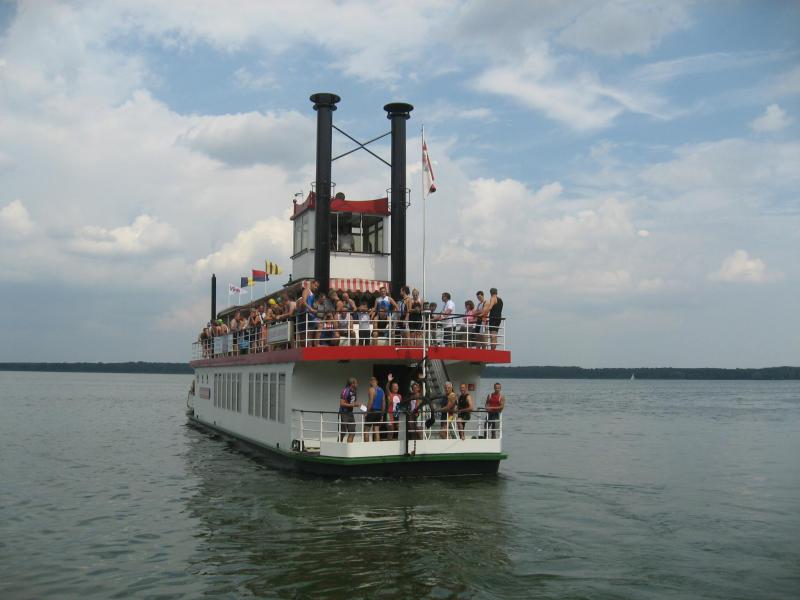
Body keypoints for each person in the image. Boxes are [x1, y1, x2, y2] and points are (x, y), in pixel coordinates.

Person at [297, 280, 320, 347]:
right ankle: (316, 344)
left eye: (317, 286)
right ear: (312, 284)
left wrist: (313, 309)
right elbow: (304, 302)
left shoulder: (312, 294)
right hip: (305, 315)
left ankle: (312, 345)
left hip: (306, 315)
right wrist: (311, 309)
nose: (316, 288)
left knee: (305, 334)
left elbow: (308, 304)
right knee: (319, 324)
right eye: (315, 286)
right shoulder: (307, 290)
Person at [365, 377, 385, 442]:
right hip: (379, 412)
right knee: (377, 431)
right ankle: (378, 447)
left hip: (372, 411)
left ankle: (366, 447)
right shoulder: (381, 390)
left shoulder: (371, 389)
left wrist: (366, 412)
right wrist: (382, 415)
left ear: (371, 382)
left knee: (366, 431)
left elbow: (371, 402)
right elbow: (383, 403)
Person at [339, 378, 359, 443]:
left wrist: (359, 405)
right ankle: (338, 445)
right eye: (356, 383)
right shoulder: (345, 391)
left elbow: (353, 402)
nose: (357, 384)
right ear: (352, 383)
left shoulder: (354, 391)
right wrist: (352, 405)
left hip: (350, 413)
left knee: (352, 431)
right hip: (344, 413)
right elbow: (342, 403)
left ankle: (349, 447)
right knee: (343, 431)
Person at [385, 374, 402, 440]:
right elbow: (387, 388)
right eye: (394, 386)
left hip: (397, 415)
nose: (395, 387)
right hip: (390, 415)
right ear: (391, 388)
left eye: (397, 386)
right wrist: (389, 381)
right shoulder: (390, 394)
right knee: (391, 431)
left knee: (400, 430)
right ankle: (389, 443)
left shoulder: (400, 396)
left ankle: (399, 444)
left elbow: (400, 406)